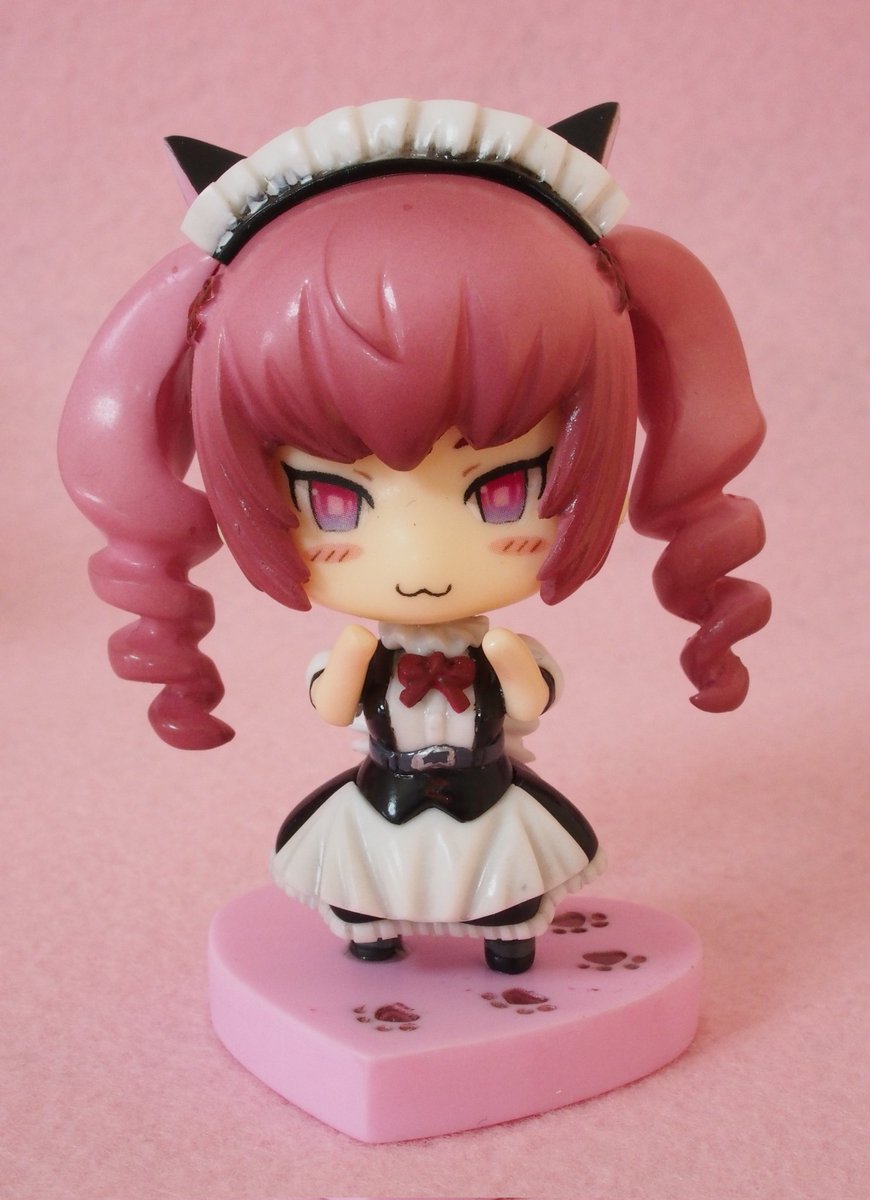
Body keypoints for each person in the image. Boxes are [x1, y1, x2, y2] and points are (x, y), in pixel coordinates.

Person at [59, 100, 770, 973]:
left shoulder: (495, 653)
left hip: (486, 795)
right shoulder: (368, 657)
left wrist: (506, 660)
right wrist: (352, 661)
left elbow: (531, 699)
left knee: (506, 879)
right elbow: (332, 705)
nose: (421, 561)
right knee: (367, 877)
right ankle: (375, 930)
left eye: (504, 491)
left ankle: (505, 935)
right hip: (385, 797)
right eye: (333, 501)